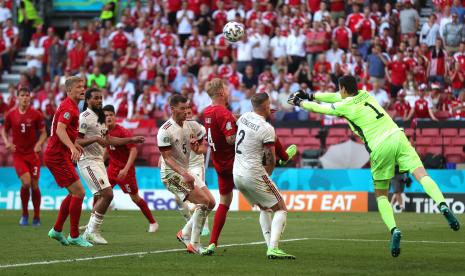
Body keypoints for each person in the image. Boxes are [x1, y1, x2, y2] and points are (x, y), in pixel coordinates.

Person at [287, 75, 460, 257]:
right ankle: (442, 204)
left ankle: (394, 229)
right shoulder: (364, 94)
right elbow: (333, 96)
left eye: (340, 89)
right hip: (398, 135)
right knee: (422, 175)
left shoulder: (346, 105)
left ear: (344, 89)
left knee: (381, 195)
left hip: (379, 145)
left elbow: (322, 109)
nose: (338, 92)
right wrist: (310, 95)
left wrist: (300, 102)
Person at [76, 88, 145, 244]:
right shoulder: (84, 118)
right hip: (87, 161)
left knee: (103, 196)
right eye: (96, 98)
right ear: (87, 101)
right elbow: (76, 141)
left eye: (101, 98)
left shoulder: (100, 117)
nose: (100, 100)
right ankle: (91, 232)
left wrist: (131, 139)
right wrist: (94, 138)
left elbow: (108, 141)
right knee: (107, 194)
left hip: (98, 161)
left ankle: (89, 231)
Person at [233, 92, 295, 260]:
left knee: (265, 207)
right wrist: (266, 176)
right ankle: (273, 248)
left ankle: (270, 246)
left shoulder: (244, 117)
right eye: (269, 105)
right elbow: (271, 159)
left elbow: (235, 117)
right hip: (253, 173)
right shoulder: (267, 128)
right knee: (281, 208)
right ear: (267, 106)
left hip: (236, 174)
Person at [157, 94, 215, 254]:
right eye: (182, 109)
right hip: (171, 175)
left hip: (186, 171)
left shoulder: (193, 126)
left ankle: (184, 233)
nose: (186, 112)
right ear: (172, 109)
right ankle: (194, 244)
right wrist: (184, 173)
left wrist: (198, 149)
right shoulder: (165, 130)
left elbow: (202, 147)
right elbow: (167, 158)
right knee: (203, 202)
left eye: (187, 108)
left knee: (211, 202)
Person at [44, 76, 93, 247]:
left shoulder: (72, 106)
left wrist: (74, 145)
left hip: (59, 154)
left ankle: (57, 230)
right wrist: (72, 147)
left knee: (74, 193)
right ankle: (73, 235)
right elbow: (60, 129)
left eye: (83, 86)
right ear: (69, 90)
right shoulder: (68, 107)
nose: (83, 89)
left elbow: (64, 130)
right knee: (79, 193)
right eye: (79, 87)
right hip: (57, 155)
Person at [102, 104, 159, 233]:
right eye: (106, 115)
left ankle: (153, 222)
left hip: (125, 171)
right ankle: (92, 225)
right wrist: (101, 161)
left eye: (111, 115)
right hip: (112, 169)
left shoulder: (123, 132)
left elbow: (133, 150)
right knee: (100, 192)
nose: (109, 117)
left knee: (135, 198)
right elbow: (107, 148)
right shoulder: (104, 132)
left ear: (115, 116)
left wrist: (126, 169)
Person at [1, 87, 47, 226]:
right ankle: (25, 214)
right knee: (26, 183)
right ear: (17, 97)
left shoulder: (36, 114)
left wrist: (39, 143)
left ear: (30, 97)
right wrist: (7, 142)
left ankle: (36, 217)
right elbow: (4, 129)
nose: (25, 97)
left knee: (34, 185)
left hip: (33, 155)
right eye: (22, 95)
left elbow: (44, 132)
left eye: (27, 95)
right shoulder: (11, 114)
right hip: (19, 155)